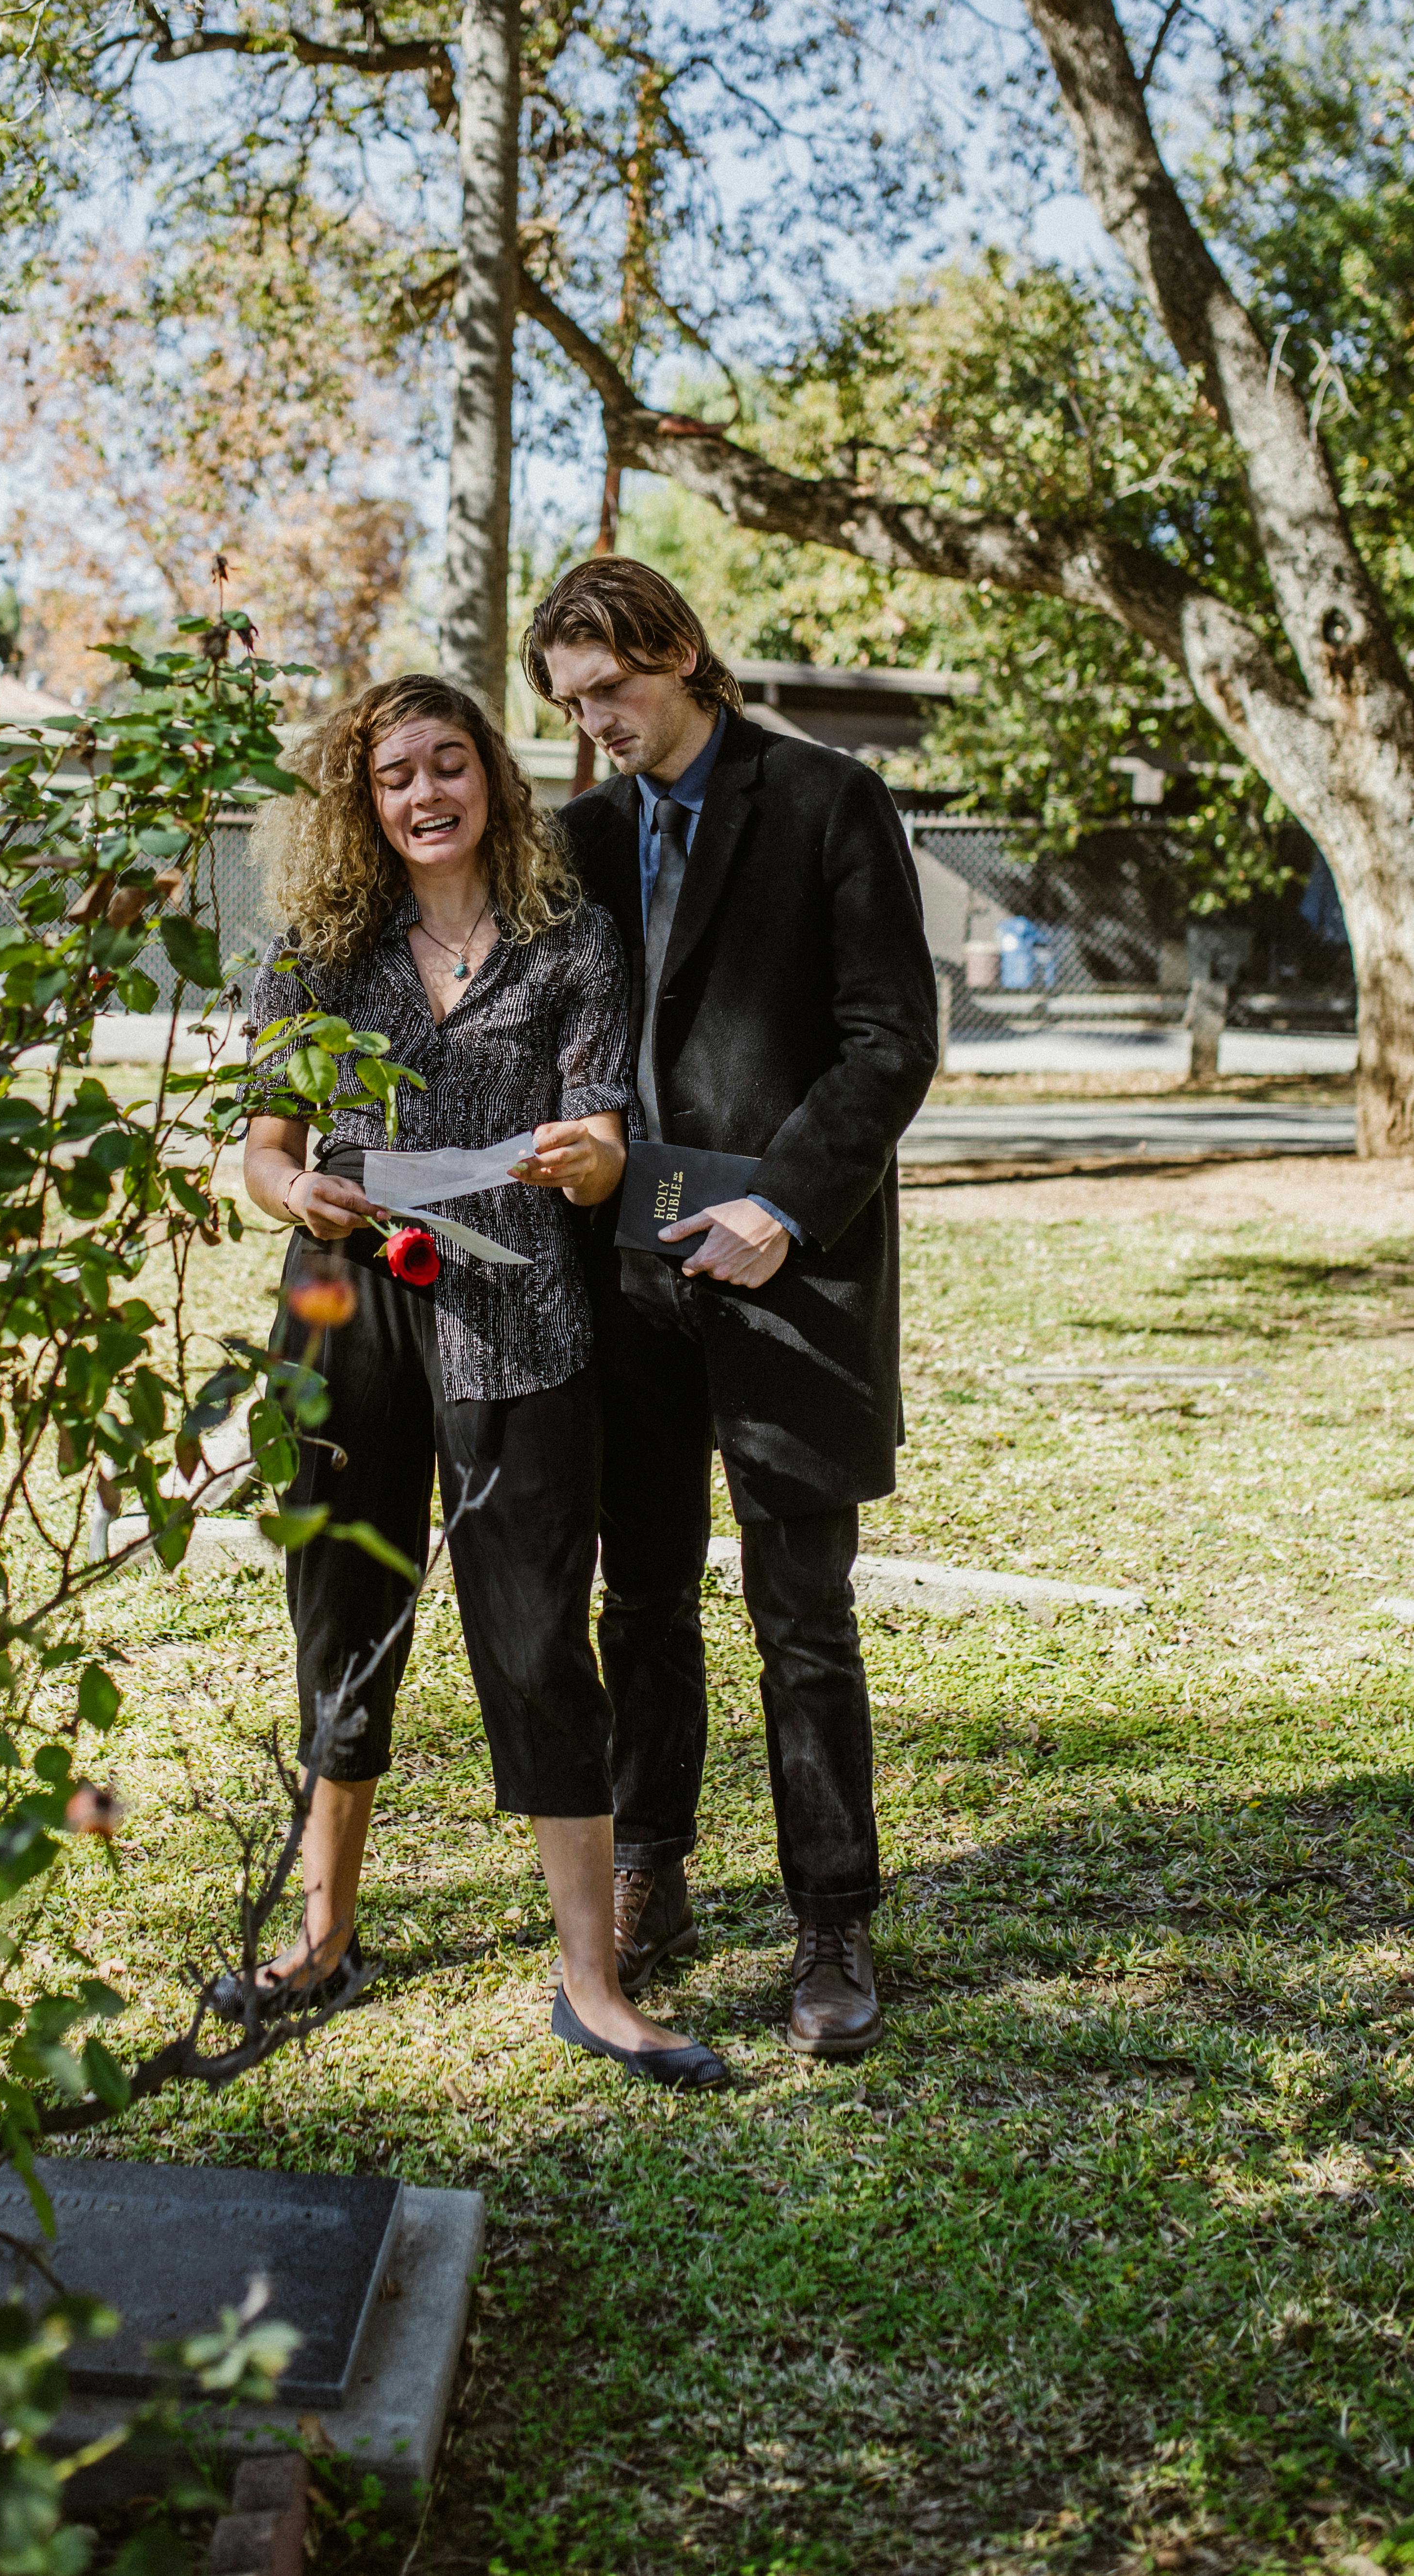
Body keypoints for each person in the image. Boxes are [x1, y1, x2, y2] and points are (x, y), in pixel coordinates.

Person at [230, 672, 730, 2091]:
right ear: (364, 800)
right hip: (347, 1306)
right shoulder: (321, 944)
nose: (426, 794)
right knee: (343, 1607)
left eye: (450, 765)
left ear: (494, 782)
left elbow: (603, 1131)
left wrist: (589, 1156)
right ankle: (323, 1938)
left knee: (533, 1638)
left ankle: (595, 1979)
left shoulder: (570, 945)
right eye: (397, 775)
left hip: (520, 1318)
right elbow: (262, 1146)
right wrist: (293, 1188)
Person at [524, 560, 938, 2060]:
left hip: (790, 1268)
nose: (598, 726)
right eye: (572, 706)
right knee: (638, 1599)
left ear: (681, 652)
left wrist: (782, 1203)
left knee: (803, 1612)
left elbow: (893, 1037)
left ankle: (832, 1918)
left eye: (612, 691)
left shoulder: (831, 802)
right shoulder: (572, 837)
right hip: (625, 1283)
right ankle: (653, 1872)